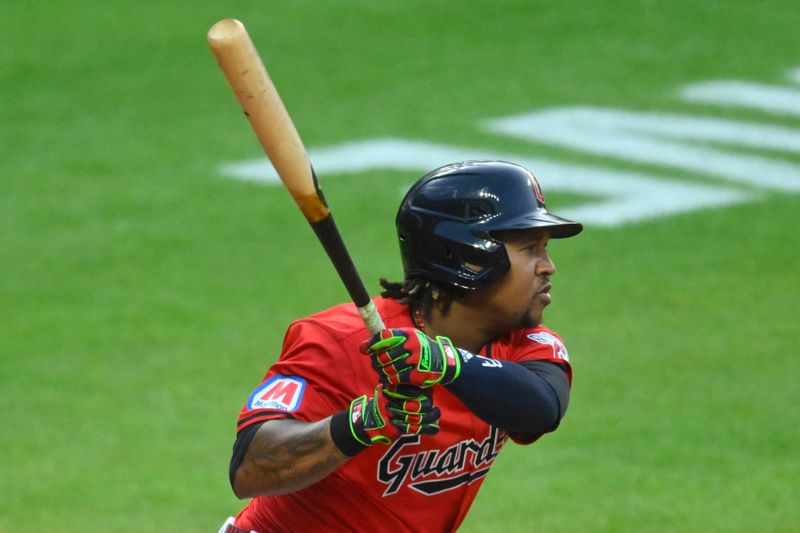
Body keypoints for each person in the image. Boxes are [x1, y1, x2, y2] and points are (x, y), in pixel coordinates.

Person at [220, 160, 583, 533]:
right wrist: (363, 423)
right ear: (470, 258)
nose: (548, 267)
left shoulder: (524, 346)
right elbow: (250, 469)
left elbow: (541, 408)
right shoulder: (340, 340)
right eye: (531, 249)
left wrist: (442, 361)